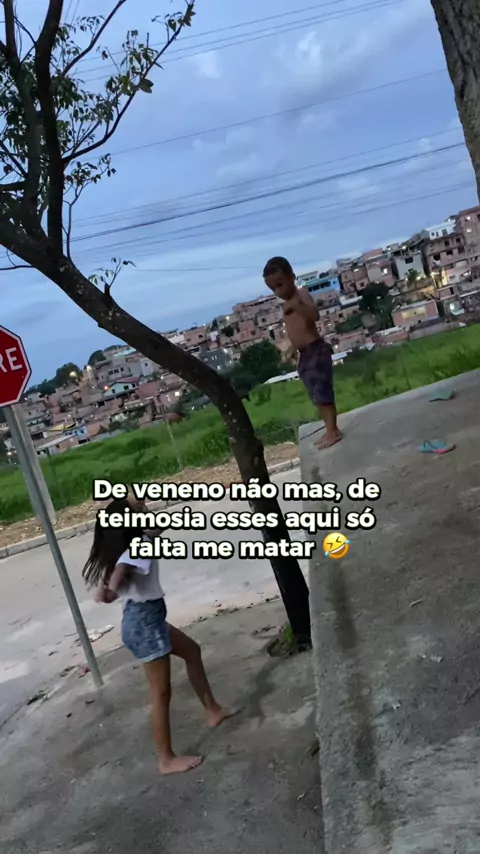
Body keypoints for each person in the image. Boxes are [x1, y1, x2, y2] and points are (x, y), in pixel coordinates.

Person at [83, 496, 232, 775]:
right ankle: (165, 759)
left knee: (192, 651)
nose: (146, 509)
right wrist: (110, 590)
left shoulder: (140, 540)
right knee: (161, 692)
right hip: (144, 623)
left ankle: (213, 710)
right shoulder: (136, 547)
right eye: (140, 509)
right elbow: (121, 569)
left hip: (147, 620)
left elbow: (157, 528)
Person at [263, 256, 342, 450]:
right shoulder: (286, 304)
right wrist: (292, 348)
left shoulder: (301, 294)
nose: (278, 292)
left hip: (316, 350)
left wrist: (297, 306)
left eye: (280, 285)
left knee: (323, 392)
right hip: (305, 354)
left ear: (292, 277)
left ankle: (333, 430)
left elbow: (314, 315)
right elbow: (296, 330)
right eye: (273, 289)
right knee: (315, 394)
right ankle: (329, 428)